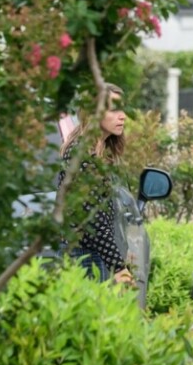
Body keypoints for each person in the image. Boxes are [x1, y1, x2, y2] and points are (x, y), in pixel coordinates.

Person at [57, 84, 135, 286]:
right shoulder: (81, 154)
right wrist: (119, 267)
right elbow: (93, 218)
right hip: (82, 256)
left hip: (93, 252)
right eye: (114, 109)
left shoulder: (99, 153)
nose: (123, 116)